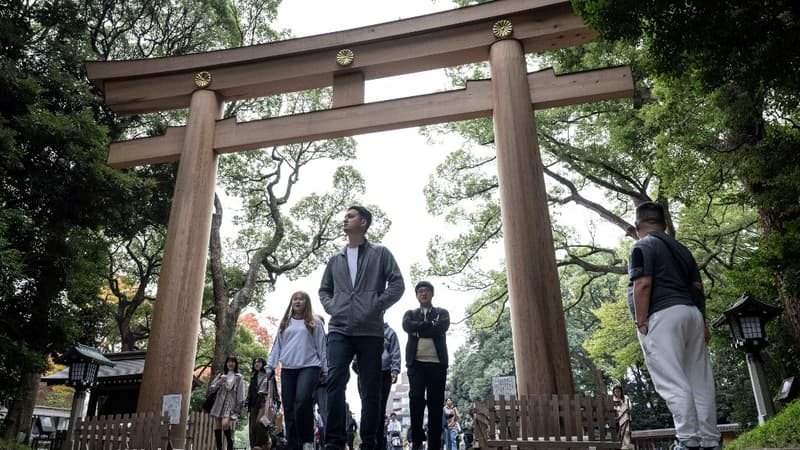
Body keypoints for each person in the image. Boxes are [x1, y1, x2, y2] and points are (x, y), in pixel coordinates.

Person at [628, 201, 720, 450]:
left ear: (638, 226)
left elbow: (643, 284)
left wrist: (641, 320)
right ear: (665, 224)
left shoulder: (642, 245)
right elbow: (698, 288)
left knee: (672, 381)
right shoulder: (682, 250)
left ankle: (688, 441)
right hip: (692, 314)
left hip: (662, 315)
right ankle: (710, 441)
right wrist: (703, 322)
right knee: (699, 380)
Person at [319, 205, 405, 450]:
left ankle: (370, 442)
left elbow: (397, 284)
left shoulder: (381, 253)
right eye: (346, 216)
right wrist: (333, 307)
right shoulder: (336, 258)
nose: (345, 219)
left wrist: (376, 305)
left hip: (370, 330)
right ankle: (334, 441)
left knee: (371, 388)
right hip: (339, 328)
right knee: (335, 380)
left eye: (350, 216)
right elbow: (324, 289)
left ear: (364, 223)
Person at [266, 291, 329, 450]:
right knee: (288, 407)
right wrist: (270, 366)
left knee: (302, 402)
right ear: (291, 302)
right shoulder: (285, 323)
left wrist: (325, 370)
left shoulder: (314, 322)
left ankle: (307, 440)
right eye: (295, 299)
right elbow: (277, 346)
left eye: (301, 299)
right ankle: (293, 444)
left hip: (309, 366)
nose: (298, 301)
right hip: (288, 368)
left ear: (307, 303)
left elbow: (322, 347)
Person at [402, 281, 450, 450]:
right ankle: (416, 442)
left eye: (427, 291)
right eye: (420, 291)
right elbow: (406, 326)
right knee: (416, 402)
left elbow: (441, 328)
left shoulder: (442, 313)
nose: (424, 293)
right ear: (416, 295)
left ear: (432, 294)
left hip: (437, 364)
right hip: (416, 364)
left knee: (436, 404)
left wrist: (418, 330)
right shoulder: (410, 313)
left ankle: (434, 444)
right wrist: (429, 325)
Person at [353, 322, 402, 450]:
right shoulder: (362, 329)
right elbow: (355, 350)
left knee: (380, 409)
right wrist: (357, 365)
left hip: (384, 373)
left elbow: (395, 352)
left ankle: (379, 443)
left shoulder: (389, 332)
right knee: (367, 408)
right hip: (365, 373)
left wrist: (395, 370)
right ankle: (367, 443)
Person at [210, 356, 245, 450]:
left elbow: (240, 394)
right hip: (219, 402)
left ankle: (230, 443)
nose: (231, 363)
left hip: (231, 403)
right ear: (226, 363)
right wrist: (219, 382)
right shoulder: (221, 375)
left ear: (235, 364)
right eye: (229, 361)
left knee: (225, 424)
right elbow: (212, 389)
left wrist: (238, 408)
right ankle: (219, 448)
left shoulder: (239, 377)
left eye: (233, 362)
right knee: (217, 424)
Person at [247, 357, 271, 450]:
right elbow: (250, 391)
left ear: (263, 363)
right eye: (255, 362)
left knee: (260, 422)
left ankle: (263, 443)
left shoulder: (268, 375)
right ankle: (254, 446)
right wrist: (247, 402)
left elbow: (273, 390)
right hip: (254, 402)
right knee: (253, 426)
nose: (256, 364)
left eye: (259, 362)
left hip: (264, 401)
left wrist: (275, 403)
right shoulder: (253, 376)